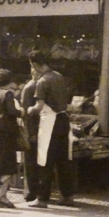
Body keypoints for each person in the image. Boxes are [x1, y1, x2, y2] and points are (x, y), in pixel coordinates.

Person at [26, 51, 74, 208]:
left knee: (45, 159)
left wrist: (29, 110)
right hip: (63, 119)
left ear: (34, 64)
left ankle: (42, 198)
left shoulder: (42, 81)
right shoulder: (58, 76)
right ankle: (67, 196)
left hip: (50, 121)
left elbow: (39, 107)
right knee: (63, 160)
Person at [0, 69, 26, 208]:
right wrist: (22, 111)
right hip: (6, 134)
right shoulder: (8, 94)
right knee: (8, 167)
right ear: (9, 81)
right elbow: (12, 111)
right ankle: (1, 196)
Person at [19, 67, 41, 202]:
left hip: (38, 129)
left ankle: (34, 190)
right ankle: (30, 192)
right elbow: (26, 113)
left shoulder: (37, 86)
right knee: (30, 162)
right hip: (33, 130)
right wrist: (31, 132)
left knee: (34, 162)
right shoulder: (30, 88)